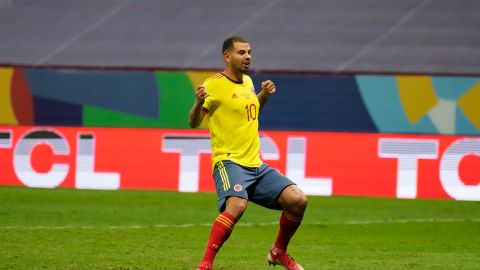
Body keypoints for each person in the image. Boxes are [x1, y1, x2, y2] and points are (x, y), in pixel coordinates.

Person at [189, 36, 308, 270]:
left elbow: (250, 112)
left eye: (249, 52)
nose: (248, 57)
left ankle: (278, 252)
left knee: (298, 200)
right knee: (237, 206)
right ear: (227, 56)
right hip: (229, 162)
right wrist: (196, 104)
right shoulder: (213, 84)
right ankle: (205, 265)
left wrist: (263, 95)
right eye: (242, 53)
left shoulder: (248, 82)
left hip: (256, 164)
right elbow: (194, 122)